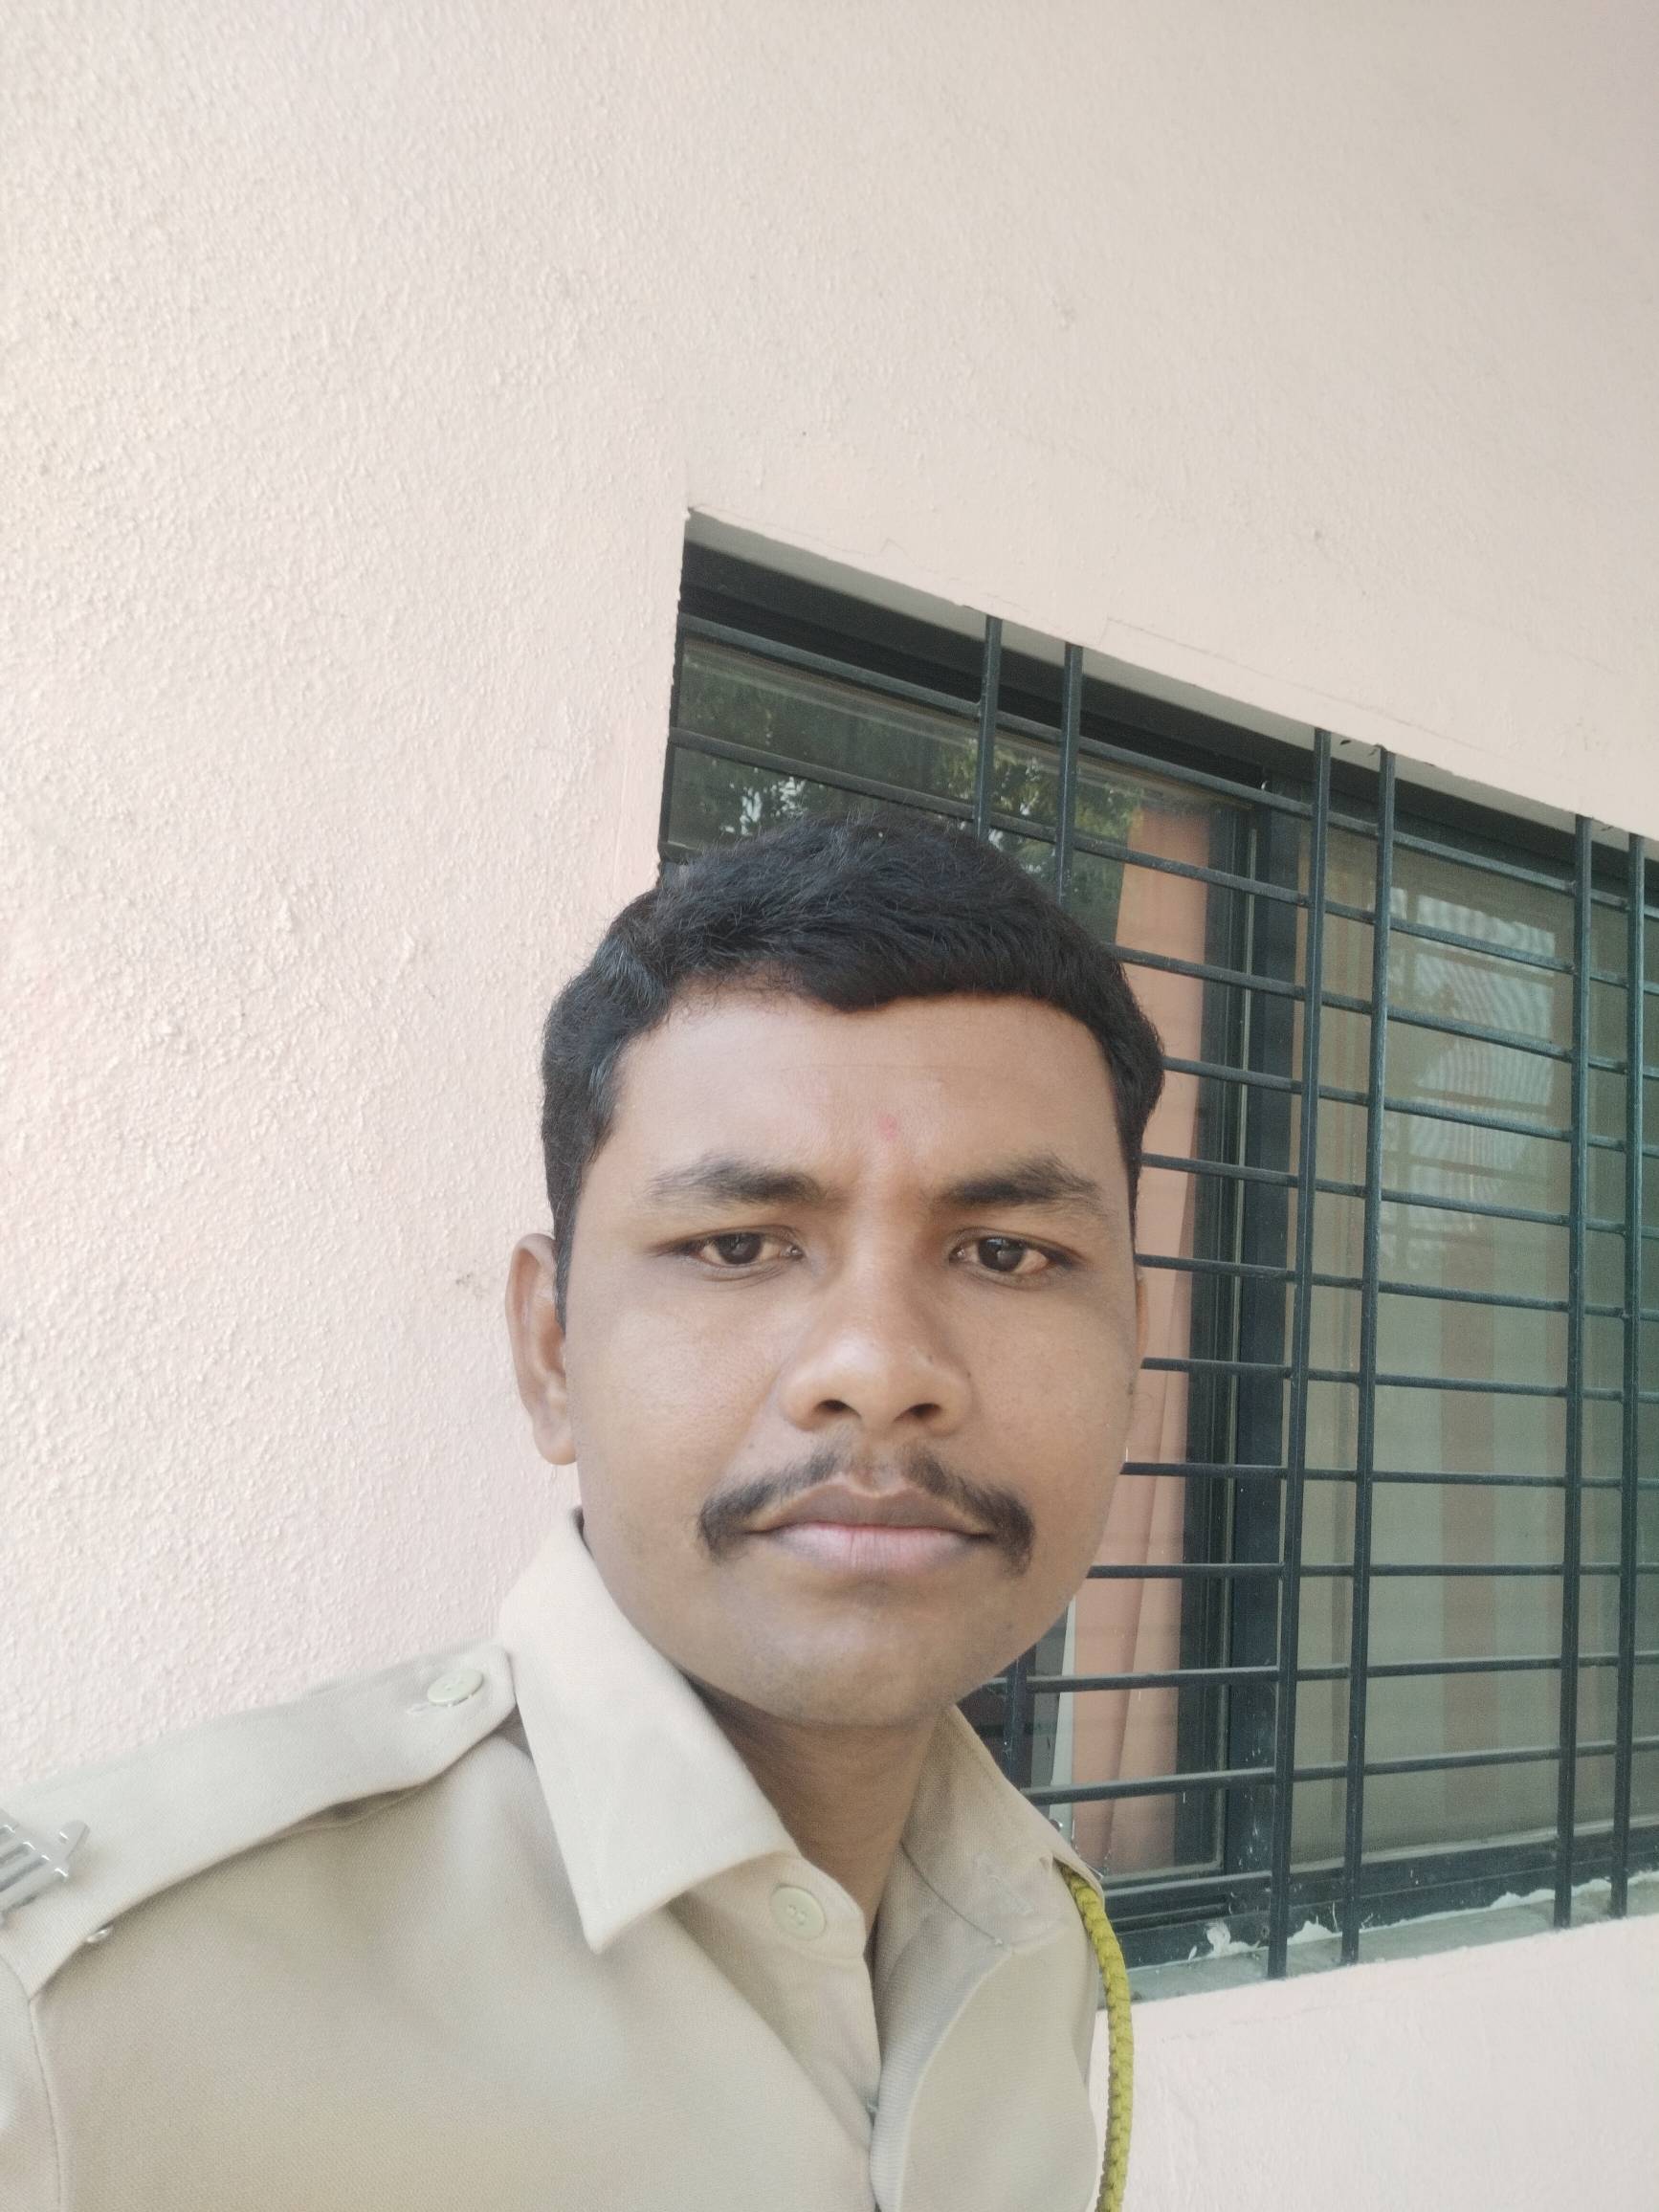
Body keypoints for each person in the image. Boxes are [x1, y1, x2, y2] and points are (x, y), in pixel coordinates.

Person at [0, 814, 1161, 2212]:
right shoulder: (70, 2030)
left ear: (1133, 1351)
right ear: (551, 1352)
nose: (876, 1367)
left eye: (1008, 1254)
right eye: (737, 1245)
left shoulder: (1036, 1931)